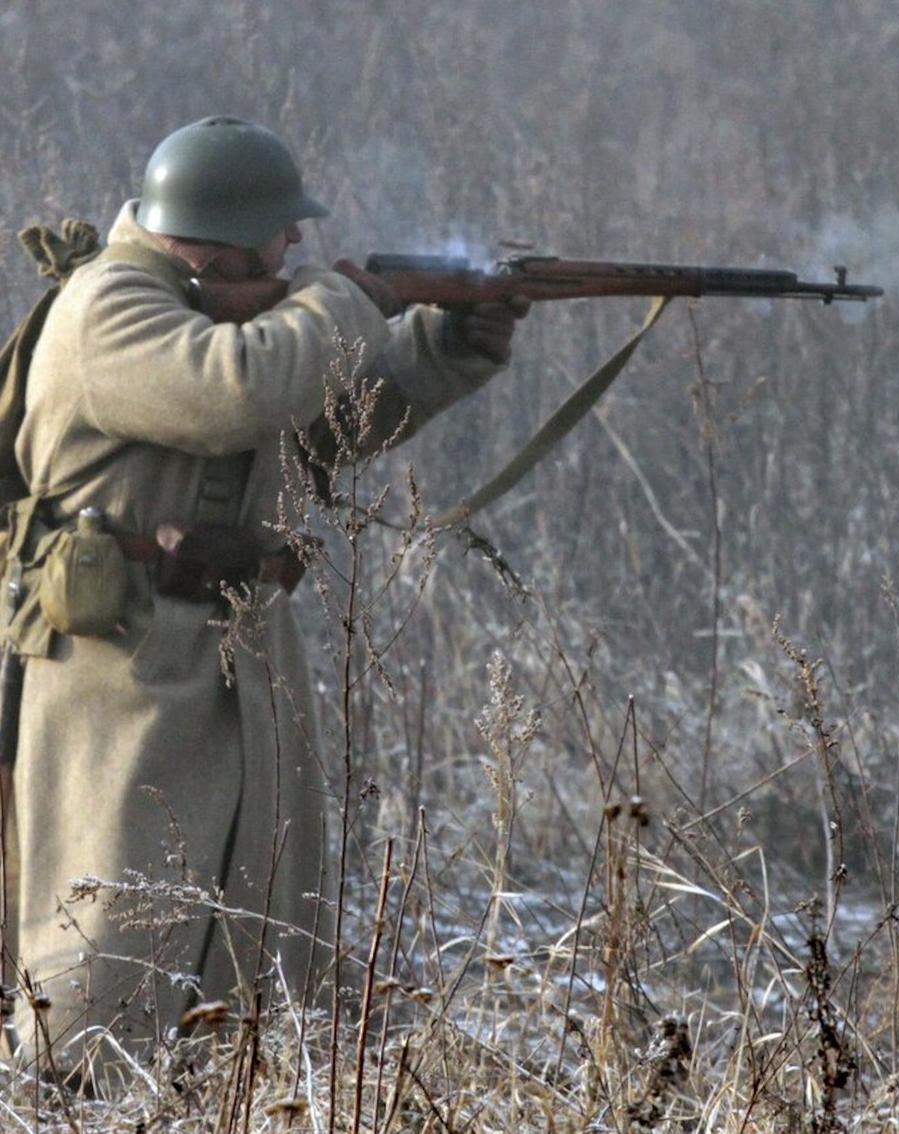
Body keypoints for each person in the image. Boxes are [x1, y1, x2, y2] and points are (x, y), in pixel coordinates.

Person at [1, 115, 528, 1070]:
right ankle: (75, 1098)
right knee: (111, 937)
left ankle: (236, 1089)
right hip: (123, 670)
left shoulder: (224, 313)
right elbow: (236, 391)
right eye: (283, 232)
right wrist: (354, 299)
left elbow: (318, 430)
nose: (297, 247)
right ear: (226, 233)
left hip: (238, 656)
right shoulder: (107, 304)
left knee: (257, 927)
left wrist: (445, 345)